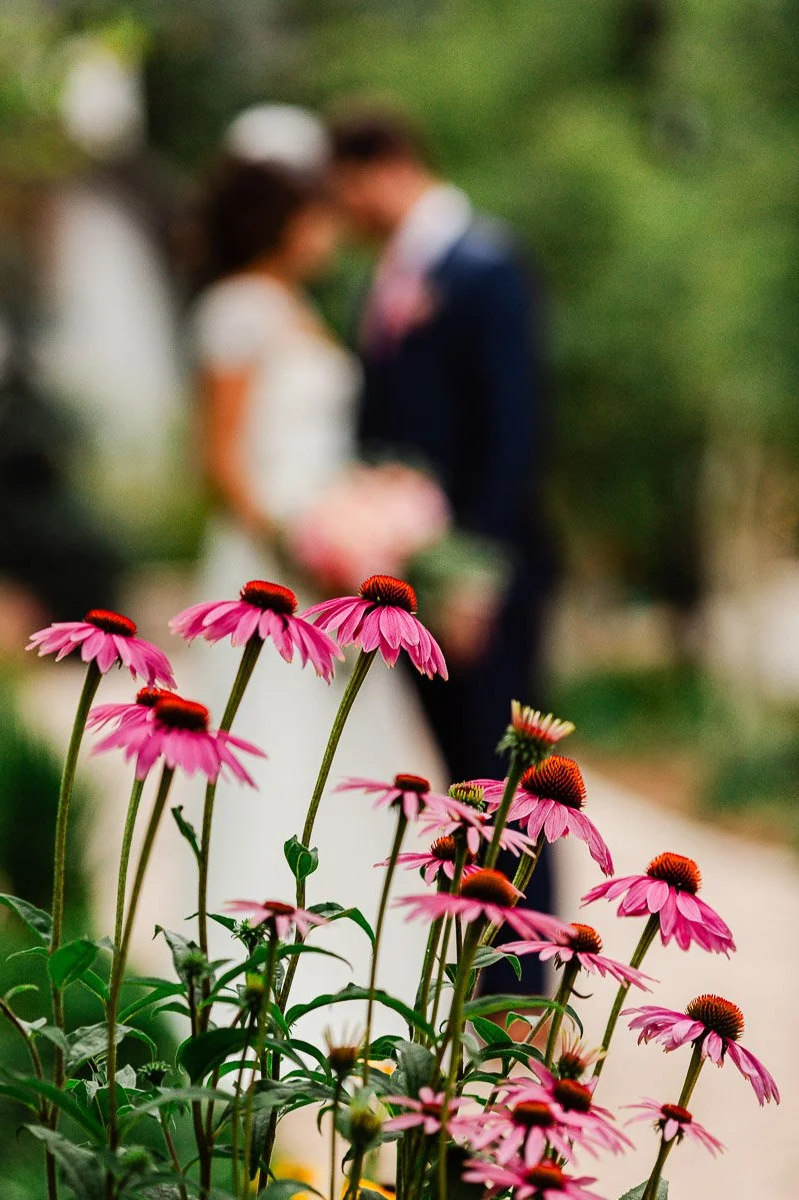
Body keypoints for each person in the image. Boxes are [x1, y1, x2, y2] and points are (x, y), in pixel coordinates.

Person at [187, 106, 443, 1052]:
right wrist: (300, 539)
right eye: (320, 215)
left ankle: (359, 992)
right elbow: (219, 462)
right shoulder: (238, 311)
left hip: (327, 586)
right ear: (287, 221)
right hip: (267, 578)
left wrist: (366, 508)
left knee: (353, 769)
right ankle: (255, 998)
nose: (332, 230)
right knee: (271, 763)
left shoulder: (298, 309)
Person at [331, 110, 556, 995]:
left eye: (344, 185)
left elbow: (514, 431)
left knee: (508, 792)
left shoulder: (486, 265)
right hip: (419, 579)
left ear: (383, 167)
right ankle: (482, 985)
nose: (341, 208)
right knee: (461, 785)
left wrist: (478, 575)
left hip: (484, 579)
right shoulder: (385, 280)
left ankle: (524, 993)